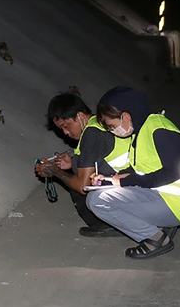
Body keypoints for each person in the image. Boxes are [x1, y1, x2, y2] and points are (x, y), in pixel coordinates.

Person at [85, 86, 180, 259]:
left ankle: (155, 238)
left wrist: (124, 182)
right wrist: (110, 179)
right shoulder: (143, 128)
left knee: (97, 201)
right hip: (162, 195)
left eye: (112, 126)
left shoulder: (161, 132)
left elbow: (172, 173)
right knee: (103, 192)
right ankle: (160, 225)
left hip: (176, 204)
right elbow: (141, 169)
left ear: (125, 116)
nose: (112, 131)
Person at [33, 92, 132, 237]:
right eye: (61, 129)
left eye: (66, 126)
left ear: (79, 116)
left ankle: (110, 224)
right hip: (133, 182)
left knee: (77, 182)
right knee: (77, 172)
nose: (65, 133)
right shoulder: (99, 123)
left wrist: (56, 172)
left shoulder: (91, 134)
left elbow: (83, 186)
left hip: (126, 189)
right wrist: (71, 163)